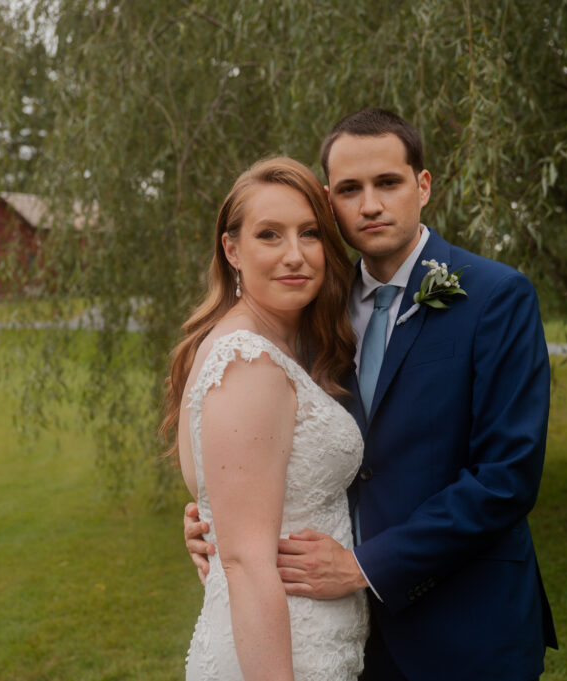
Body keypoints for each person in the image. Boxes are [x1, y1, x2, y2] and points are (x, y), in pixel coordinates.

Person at [187, 109, 557, 680]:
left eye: (388, 183)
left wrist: (364, 566)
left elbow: (506, 478)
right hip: (345, 636)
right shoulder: (315, 313)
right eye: (351, 190)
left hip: (467, 625)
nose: (371, 205)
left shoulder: (496, 297)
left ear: (422, 185)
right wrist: (214, 516)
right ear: (330, 199)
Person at [163, 157, 368, 680]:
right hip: (282, 657)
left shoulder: (278, 346)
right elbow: (247, 564)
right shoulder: (246, 360)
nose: (295, 256)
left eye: (311, 234)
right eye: (270, 235)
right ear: (232, 249)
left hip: (314, 644)